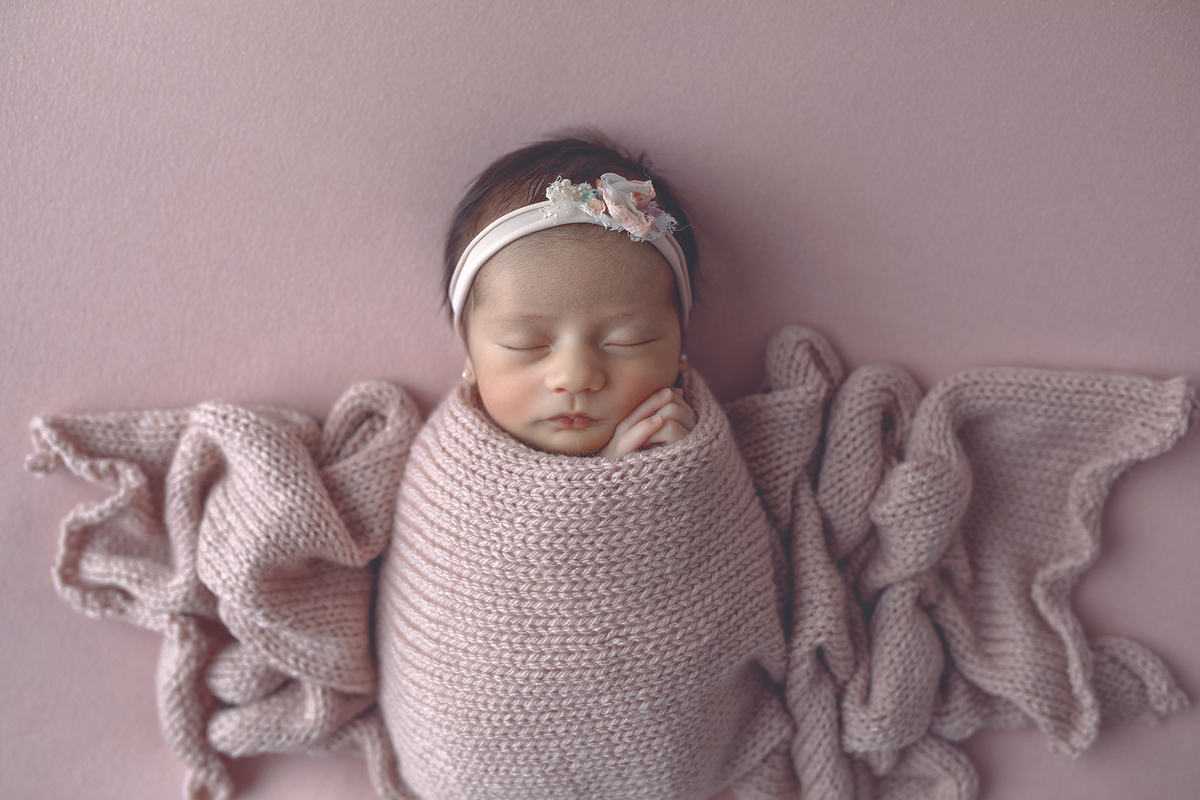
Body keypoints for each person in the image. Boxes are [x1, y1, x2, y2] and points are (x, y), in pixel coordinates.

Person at [443, 135, 699, 457]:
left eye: (627, 341)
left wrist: (682, 468)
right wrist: (612, 478)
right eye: (525, 344)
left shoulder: (702, 447)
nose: (575, 377)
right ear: (470, 352)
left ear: (680, 346)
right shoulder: (448, 459)